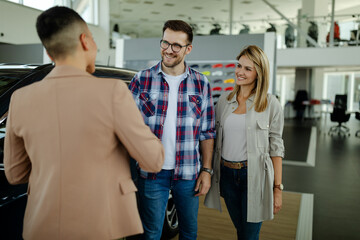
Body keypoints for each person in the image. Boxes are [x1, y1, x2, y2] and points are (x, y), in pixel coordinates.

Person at [4, 6, 164, 240]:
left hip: (41, 224)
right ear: (85, 41)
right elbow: (153, 159)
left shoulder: (20, 99)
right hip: (99, 225)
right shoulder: (112, 92)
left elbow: (15, 174)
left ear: (50, 53)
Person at [128, 20, 216, 240]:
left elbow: (207, 132)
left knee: (189, 232)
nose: (169, 50)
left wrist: (206, 170)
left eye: (176, 45)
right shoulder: (142, 80)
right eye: (165, 42)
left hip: (188, 173)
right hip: (151, 173)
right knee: (151, 234)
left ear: (188, 49)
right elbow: (127, 127)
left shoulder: (201, 84)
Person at [205, 45, 285, 240]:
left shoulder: (270, 103)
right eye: (239, 66)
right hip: (227, 175)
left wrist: (277, 188)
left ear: (259, 73)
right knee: (241, 231)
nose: (240, 72)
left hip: (254, 176)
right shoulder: (225, 100)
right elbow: (212, 137)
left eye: (248, 69)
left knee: (249, 235)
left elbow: (276, 146)